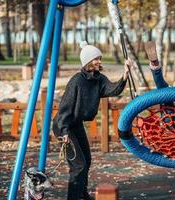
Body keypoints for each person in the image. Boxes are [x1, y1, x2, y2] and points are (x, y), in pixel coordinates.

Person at [52, 41, 132, 200]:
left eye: (100, 58)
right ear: (88, 61)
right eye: (96, 59)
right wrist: (65, 131)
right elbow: (65, 108)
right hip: (64, 126)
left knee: (86, 161)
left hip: (76, 125)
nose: (99, 61)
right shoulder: (77, 81)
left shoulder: (99, 79)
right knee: (78, 165)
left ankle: (82, 195)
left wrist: (125, 75)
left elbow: (112, 89)